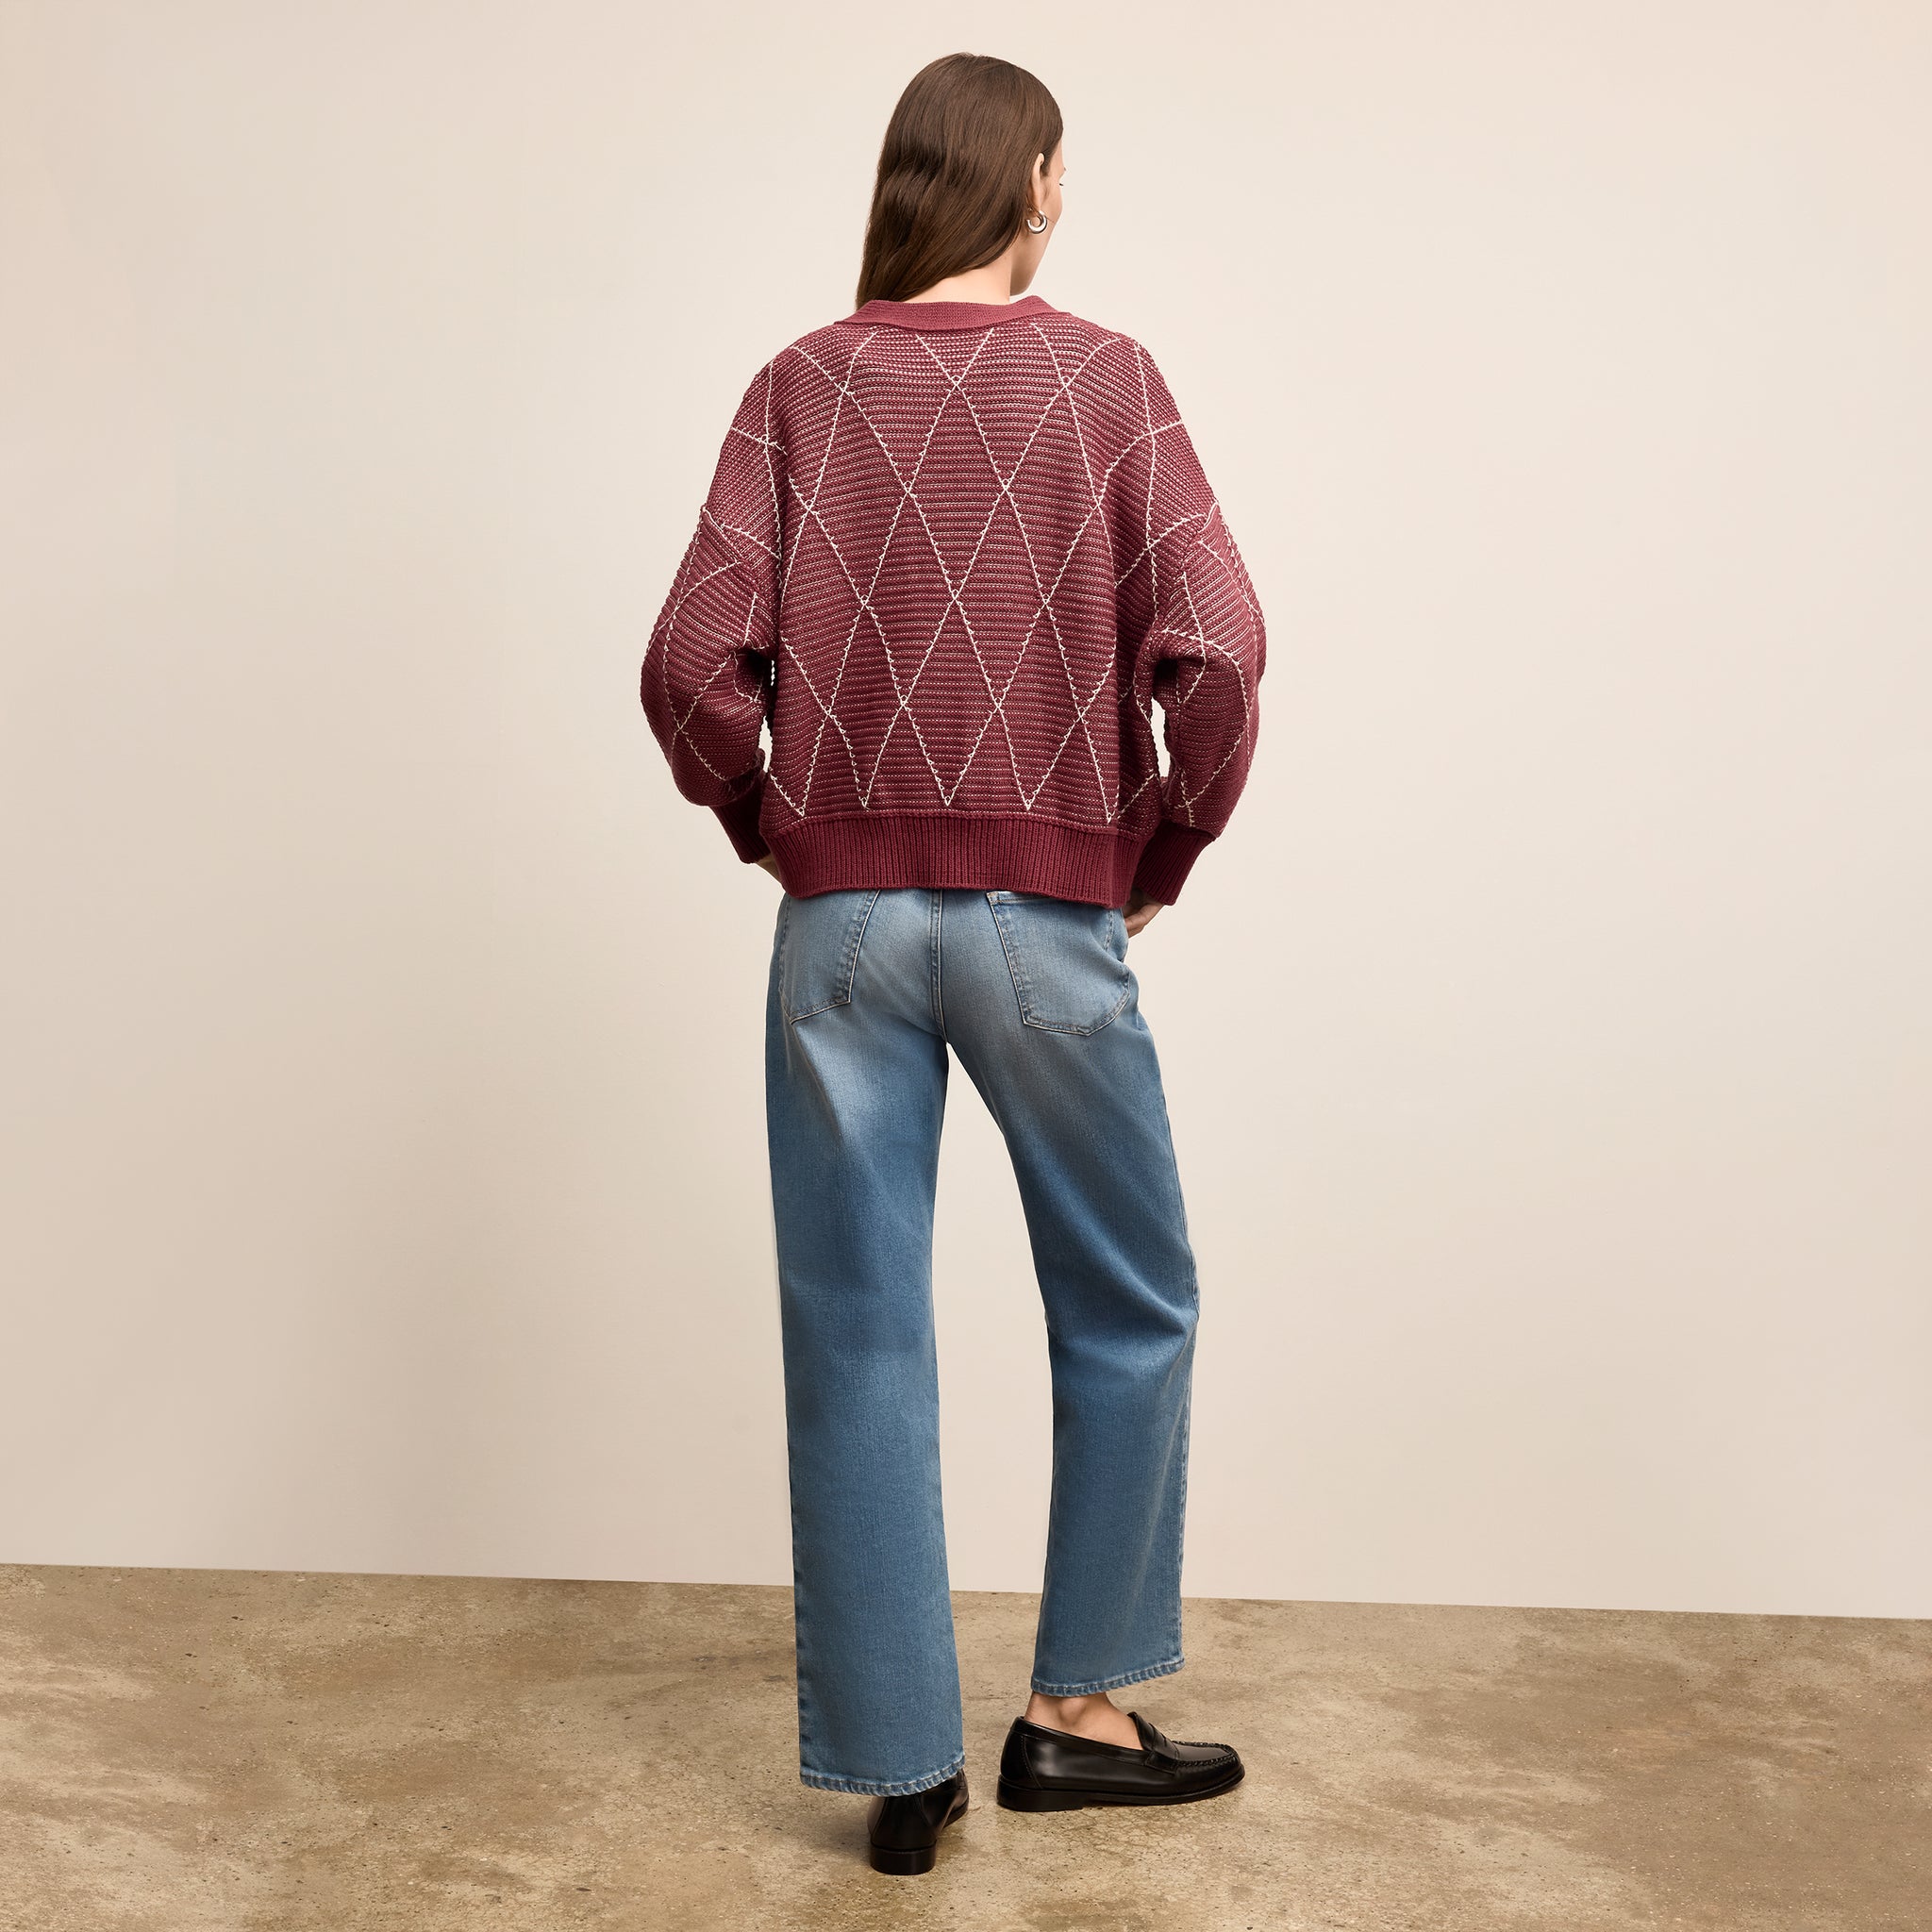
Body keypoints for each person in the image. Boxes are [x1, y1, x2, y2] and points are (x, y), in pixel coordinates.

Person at [640, 51, 1267, 1876]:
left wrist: (786, 834)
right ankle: (1075, 1718)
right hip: (1044, 916)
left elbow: (691, 659)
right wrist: (1163, 844)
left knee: (857, 1332)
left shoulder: (800, 385)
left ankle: (903, 1769)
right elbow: (1216, 645)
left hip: (841, 928)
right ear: (1042, 184)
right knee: (1131, 1297)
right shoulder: (1107, 382)